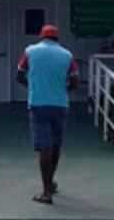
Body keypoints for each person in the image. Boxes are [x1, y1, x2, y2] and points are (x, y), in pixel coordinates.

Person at [16, 24, 79, 205]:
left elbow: (19, 75)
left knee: (45, 148)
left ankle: (46, 193)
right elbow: (75, 82)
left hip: (38, 104)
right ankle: (50, 183)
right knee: (56, 146)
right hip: (60, 105)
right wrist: (63, 90)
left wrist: (33, 87)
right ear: (57, 38)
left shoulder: (30, 51)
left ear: (41, 36)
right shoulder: (67, 55)